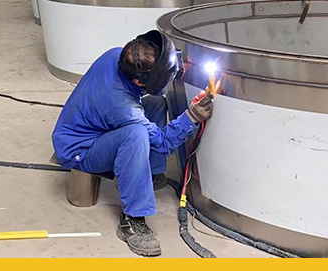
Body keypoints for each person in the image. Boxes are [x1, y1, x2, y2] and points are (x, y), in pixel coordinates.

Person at [51, 31, 215, 257]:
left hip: (95, 124)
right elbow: (163, 143)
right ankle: (133, 218)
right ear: (140, 80)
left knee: (156, 103)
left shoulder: (116, 55)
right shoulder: (124, 108)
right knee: (136, 135)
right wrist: (191, 117)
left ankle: (151, 173)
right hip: (80, 149)